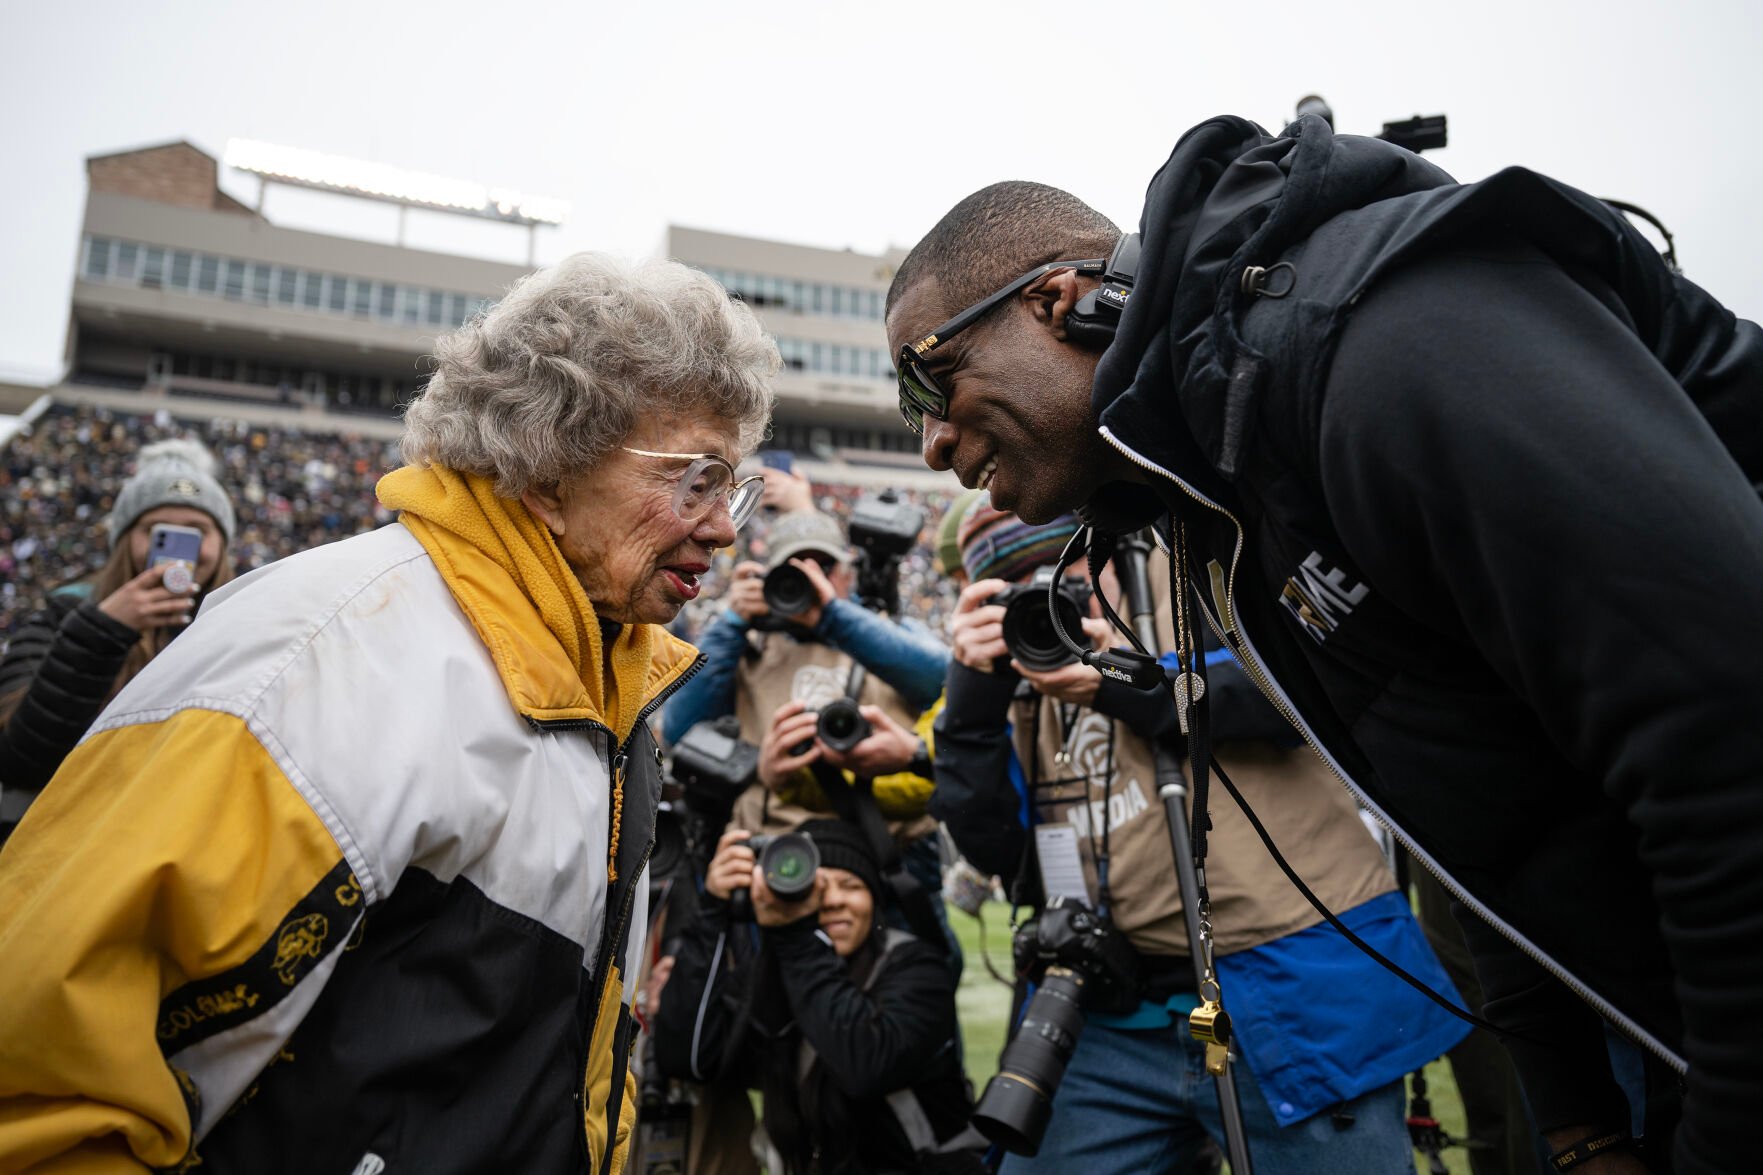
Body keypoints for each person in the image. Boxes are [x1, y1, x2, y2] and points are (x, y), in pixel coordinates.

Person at [883, 116, 1763, 1174]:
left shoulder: (1377, 341)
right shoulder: (1236, 500)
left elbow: (1728, 744)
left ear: (1058, 302)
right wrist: (1577, 1128)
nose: (927, 440)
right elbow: (1477, 814)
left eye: (927, 382)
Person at [0, 252, 777, 1174]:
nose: (726, 524)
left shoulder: (605, 673)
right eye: (694, 477)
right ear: (548, 462)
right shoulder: (319, 653)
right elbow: (42, 1082)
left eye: (732, 486)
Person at [935, 504, 1465, 1173]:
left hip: (1289, 985)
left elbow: (1304, 685)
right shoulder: (1017, 670)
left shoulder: (1195, 567)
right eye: (1013, 580)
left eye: (1060, 562)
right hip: (1110, 1010)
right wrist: (970, 704)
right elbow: (998, 851)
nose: (1049, 592)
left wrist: (1129, 682)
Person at [661, 509, 953, 942]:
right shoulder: (744, 646)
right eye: (793, 570)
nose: (810, 578)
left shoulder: (888, 631)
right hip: (775, 857)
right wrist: (733, 621)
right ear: (765, 578)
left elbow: (942, 677)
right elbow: (680, 731)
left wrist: (832, 617)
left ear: (846, 573)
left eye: (823, 566)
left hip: (888, 858)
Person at [652, 819, 979, 1175]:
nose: (834, 900)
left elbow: (866, 1066)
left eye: (850, 885)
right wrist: (713, 911)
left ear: (875, 897)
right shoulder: (772, 973)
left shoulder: (918, 969)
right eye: (817, 887)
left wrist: (796, 937)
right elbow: (688, 1058)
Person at [0, 439, 235, 836]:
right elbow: (19, 759)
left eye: (197, 531)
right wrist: (98, 633)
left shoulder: (241, 623)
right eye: (157, 531)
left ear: (222, 545)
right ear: (125, 539)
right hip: (63, 838)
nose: (181, 549)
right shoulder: (60, 615)